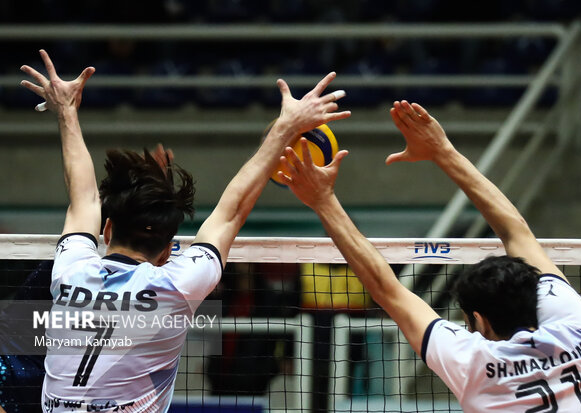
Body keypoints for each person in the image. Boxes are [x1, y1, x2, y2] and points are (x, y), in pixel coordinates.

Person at [19, 49, 350, 412]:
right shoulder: (175, 285)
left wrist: (66, 111)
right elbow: (231, 212)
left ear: (107, 229)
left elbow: (82, 199)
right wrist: (286, 128)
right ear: (167, 252)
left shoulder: (71, 271)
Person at [277, 100, 581, 412]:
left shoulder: (473, 363)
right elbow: (517, 233)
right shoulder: (574, 324)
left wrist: (322, 200)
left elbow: (387, 290)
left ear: (480, 321)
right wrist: (443, 150)